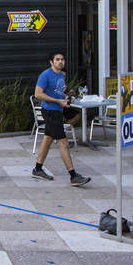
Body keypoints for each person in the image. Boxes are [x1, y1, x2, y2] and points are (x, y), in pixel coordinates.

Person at [33, 52, 90, 187]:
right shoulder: (45, 75)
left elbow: (57, 92)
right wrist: (58, 101)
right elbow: (38, 94)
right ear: (51, 62)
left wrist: (66, 97)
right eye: (57, 60)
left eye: (62, 59)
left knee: (47, 140)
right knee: (63, 143)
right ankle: (73, 176)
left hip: (58, 111)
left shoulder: (60, 75)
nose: (60, 62)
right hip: (50, 111)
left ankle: (38, 169)